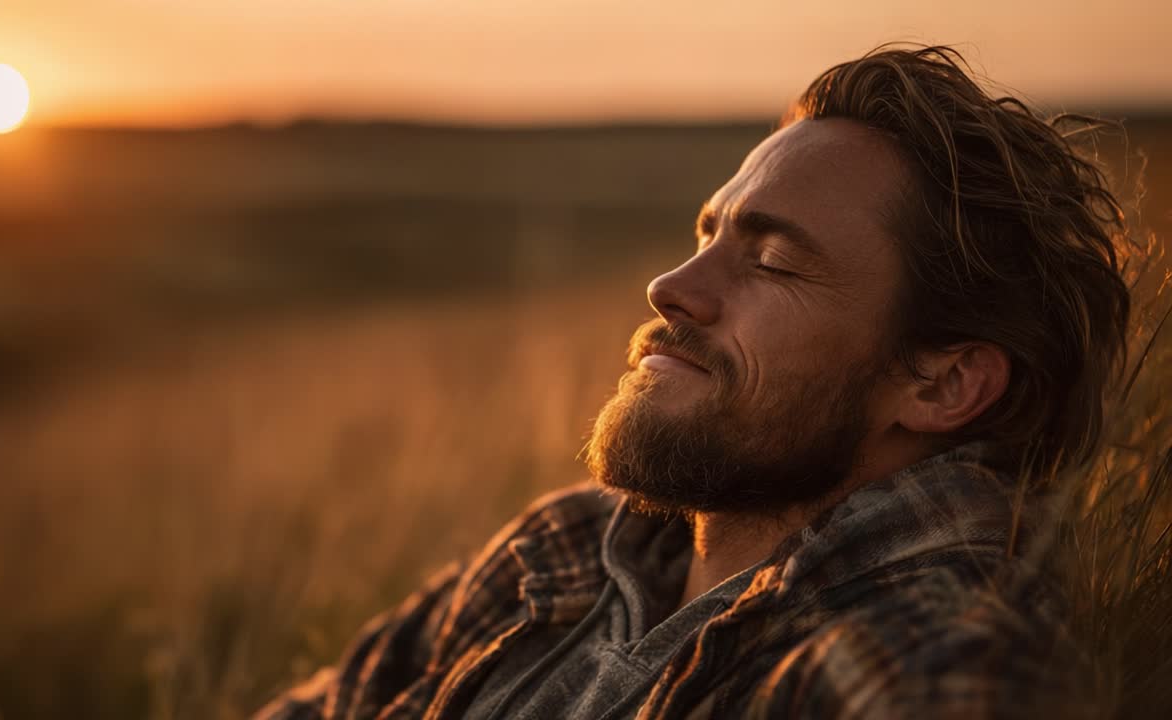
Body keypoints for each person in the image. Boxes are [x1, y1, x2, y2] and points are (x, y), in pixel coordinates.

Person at [256, 45, 1132, 719]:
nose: (671, 288)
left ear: (942, 385)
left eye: (776, 259)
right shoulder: (568, 550)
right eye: (707, 234)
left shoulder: (925, 665)